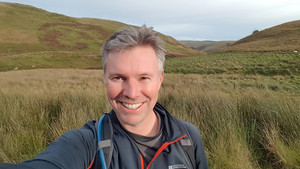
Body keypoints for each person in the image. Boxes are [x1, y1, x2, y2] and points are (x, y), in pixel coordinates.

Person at [0, 25, 209, 169]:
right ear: (105, 79)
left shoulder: (188, 138)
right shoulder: (88, 142)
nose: (132, 92)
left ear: (160, 79)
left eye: (144, 77)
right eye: (118, 77)